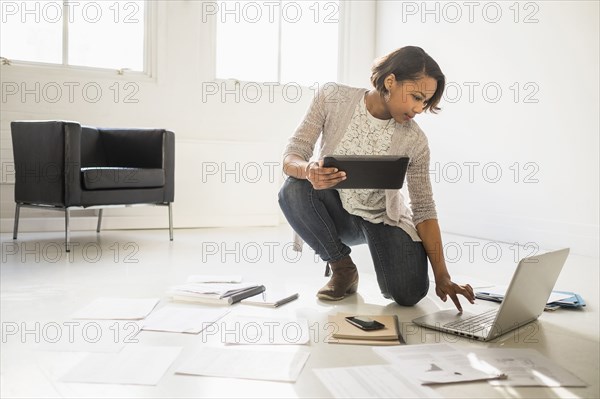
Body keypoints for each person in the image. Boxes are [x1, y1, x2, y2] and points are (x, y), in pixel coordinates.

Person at [278, 46, 475, 311]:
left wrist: (443, 276)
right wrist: (308, 170)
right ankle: (342, 268)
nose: (418, 109)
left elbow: (424, 209)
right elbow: (292, 156)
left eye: (424, 102)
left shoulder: (415, 140)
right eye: (415, 97)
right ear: (390, 81)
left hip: (384, 219)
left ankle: (388, 259)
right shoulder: (332, 97)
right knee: (293, 189)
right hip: (337, 213)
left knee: (409, 294)